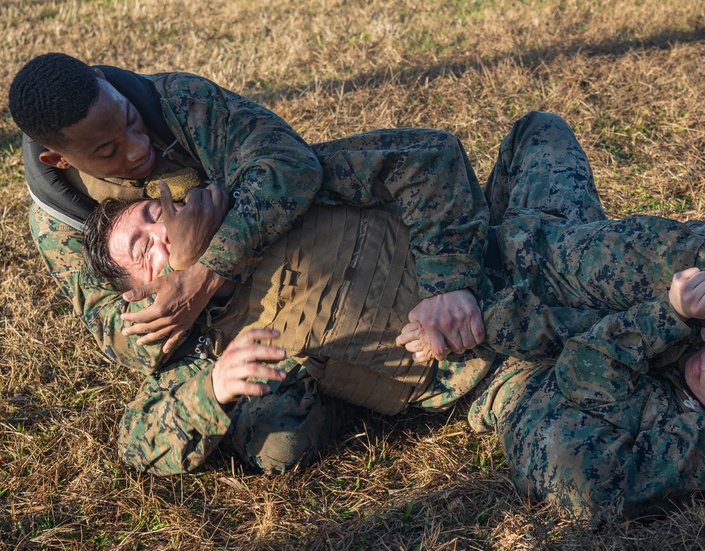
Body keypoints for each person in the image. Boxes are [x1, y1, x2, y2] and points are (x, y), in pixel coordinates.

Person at [84, 113, 705, 518]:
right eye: (141, 259)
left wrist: (453, 289)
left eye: (152, 222)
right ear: (139, 294)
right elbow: (136, 438)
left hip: (516, 261)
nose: (160, 249)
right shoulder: (194, 345)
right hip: (500, 378)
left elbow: (427, 158)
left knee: (624, 252)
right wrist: (209, 389)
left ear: (182, 200)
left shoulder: (277, 186)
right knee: (581, 472)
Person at [9, 52, 486, 375]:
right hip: (250, 318)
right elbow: (123, 338)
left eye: (132, 122)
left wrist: (203, 269)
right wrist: (175, 270)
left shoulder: (177, 101)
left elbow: (291, 165)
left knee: (411, 156)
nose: (136, 151)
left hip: (294, 237)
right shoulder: (57, 219)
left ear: (106, 84)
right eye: (109, 150)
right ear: (59, 159)